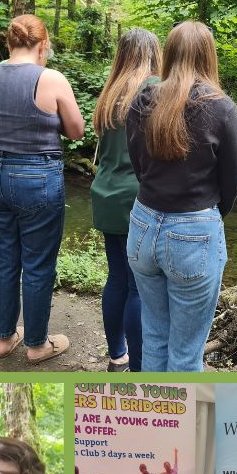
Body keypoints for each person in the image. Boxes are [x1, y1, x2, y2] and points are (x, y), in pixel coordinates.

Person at [125, 21, 237, 371]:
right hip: (194, 230)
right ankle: (183, 409)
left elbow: (139, 166)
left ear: (169, 53)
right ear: (209, 55)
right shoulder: (222, 108)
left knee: (155, 337)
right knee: (187, 352)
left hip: (143, 226)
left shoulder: (143, 100)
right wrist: (205, 218)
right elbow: (231, 183)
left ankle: (155, 406)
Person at [0, 14, 84, 362]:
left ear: (9, 43)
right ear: (42, 45)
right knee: (37, 262)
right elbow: (77, 131)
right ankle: (37, 345)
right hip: (36, 177)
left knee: (3, 257)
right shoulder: (50, 78)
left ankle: (4, 339)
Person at [91, 29, 162, 371]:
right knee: (138, 287)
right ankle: (139, 366)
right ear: (154, 53)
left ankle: (117, 354)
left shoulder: (110, 92)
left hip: (105, 194)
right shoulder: (153, 89)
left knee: (117, 277)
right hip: (136, 198)